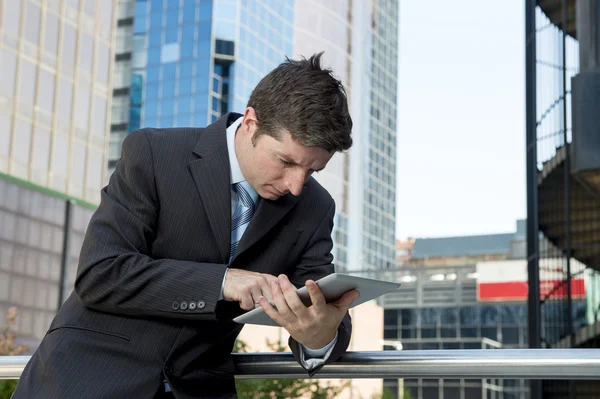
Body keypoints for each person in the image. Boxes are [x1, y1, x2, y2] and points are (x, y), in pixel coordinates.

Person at [13, 52, 358, 399]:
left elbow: (323, 303)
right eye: (286, 161)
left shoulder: (315, 207)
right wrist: (223, 282)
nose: (296, 185)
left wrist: (319, 336)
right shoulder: (153, 152)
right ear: (251, 122)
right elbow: (100, 274)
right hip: (86, 380)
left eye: (312, 171)